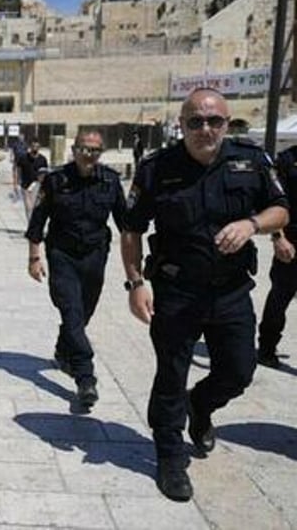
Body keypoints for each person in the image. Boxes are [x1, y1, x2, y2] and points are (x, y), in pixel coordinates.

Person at [121, 88, 288, 502]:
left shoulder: (251, 161)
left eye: (214, 120)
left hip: (231, 291)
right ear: (182, 125)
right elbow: (131, 230)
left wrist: (251, 224)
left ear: (227, 123)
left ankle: (201, 406)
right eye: (195, 121)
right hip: (176, 290)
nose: (205, 128)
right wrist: (135, 282)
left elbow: (281, 210)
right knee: (171, 374)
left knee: (239, 370)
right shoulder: (157, 168)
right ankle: (170, 456)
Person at [25, 131, 125, 408]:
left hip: (95, 256)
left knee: (83, 313)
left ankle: (63, 348)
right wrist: (34, 257)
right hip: (62, 255)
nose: (88, 154)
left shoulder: (111, 181)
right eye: (83, 148)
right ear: (74, 149)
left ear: (101, 152)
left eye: (94, 150)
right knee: (71, 309)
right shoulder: (57, 180)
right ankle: (85, 377)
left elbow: (126, 224)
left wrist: (135, 268)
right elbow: (38, 220)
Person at [256, 144, 297, 369]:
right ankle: (267, 348)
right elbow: (272, 201)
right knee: (280, 297)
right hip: (292, 240)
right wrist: (278, 237)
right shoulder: (286, 160)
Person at [14, 141, 49, 221]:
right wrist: (17, 181)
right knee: (28, 206)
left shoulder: (42, 159)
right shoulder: (23, 158)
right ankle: (30, 223)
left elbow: (45, 172)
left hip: (37, 184)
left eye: (37, 146)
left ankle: (33, 223)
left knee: (34, 206)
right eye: (33, 146)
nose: (35, 148)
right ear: (30, 147)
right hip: (25, 184)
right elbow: (18, 169)